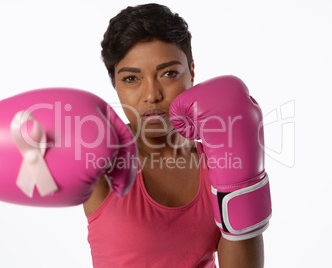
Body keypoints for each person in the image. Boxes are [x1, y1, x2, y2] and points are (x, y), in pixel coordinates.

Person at [83, 3, 264, 267]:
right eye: (132, 79)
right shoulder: (100, 159)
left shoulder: (220, 162)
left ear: (191, 71)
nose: (152, 94)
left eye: (168, 73)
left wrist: (244, 184)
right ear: (115, 84)